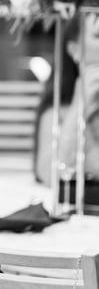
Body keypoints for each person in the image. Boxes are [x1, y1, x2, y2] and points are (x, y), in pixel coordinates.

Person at [34, 14, 99, 193]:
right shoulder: (57, 113)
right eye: (98, 36)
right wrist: (79, 108)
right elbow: (48, 174)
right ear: (75, 49)